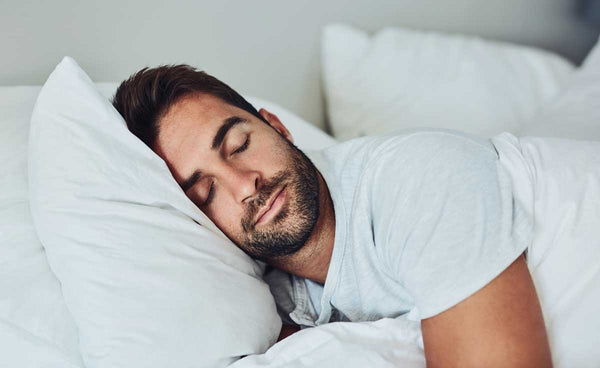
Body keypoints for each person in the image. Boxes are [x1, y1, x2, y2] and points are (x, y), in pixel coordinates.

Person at [112, 64, 553, 367]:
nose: (245, 184)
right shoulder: (268, 304)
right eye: (207, 192)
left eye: (240, 145)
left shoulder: (418, 176)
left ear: (276, 126)